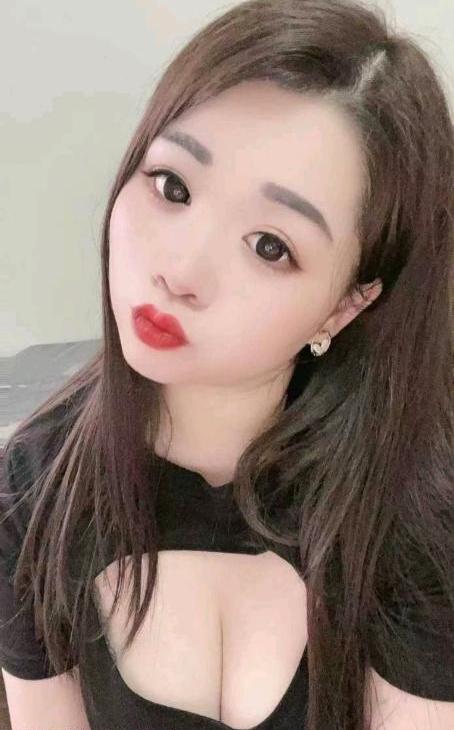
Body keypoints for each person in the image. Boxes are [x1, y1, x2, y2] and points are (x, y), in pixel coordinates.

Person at [1, 0, 453, 728]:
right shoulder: (33, 489)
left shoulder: (409, 514)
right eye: (172, 186)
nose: (180, 271)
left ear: (346, 306)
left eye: (270, 246)